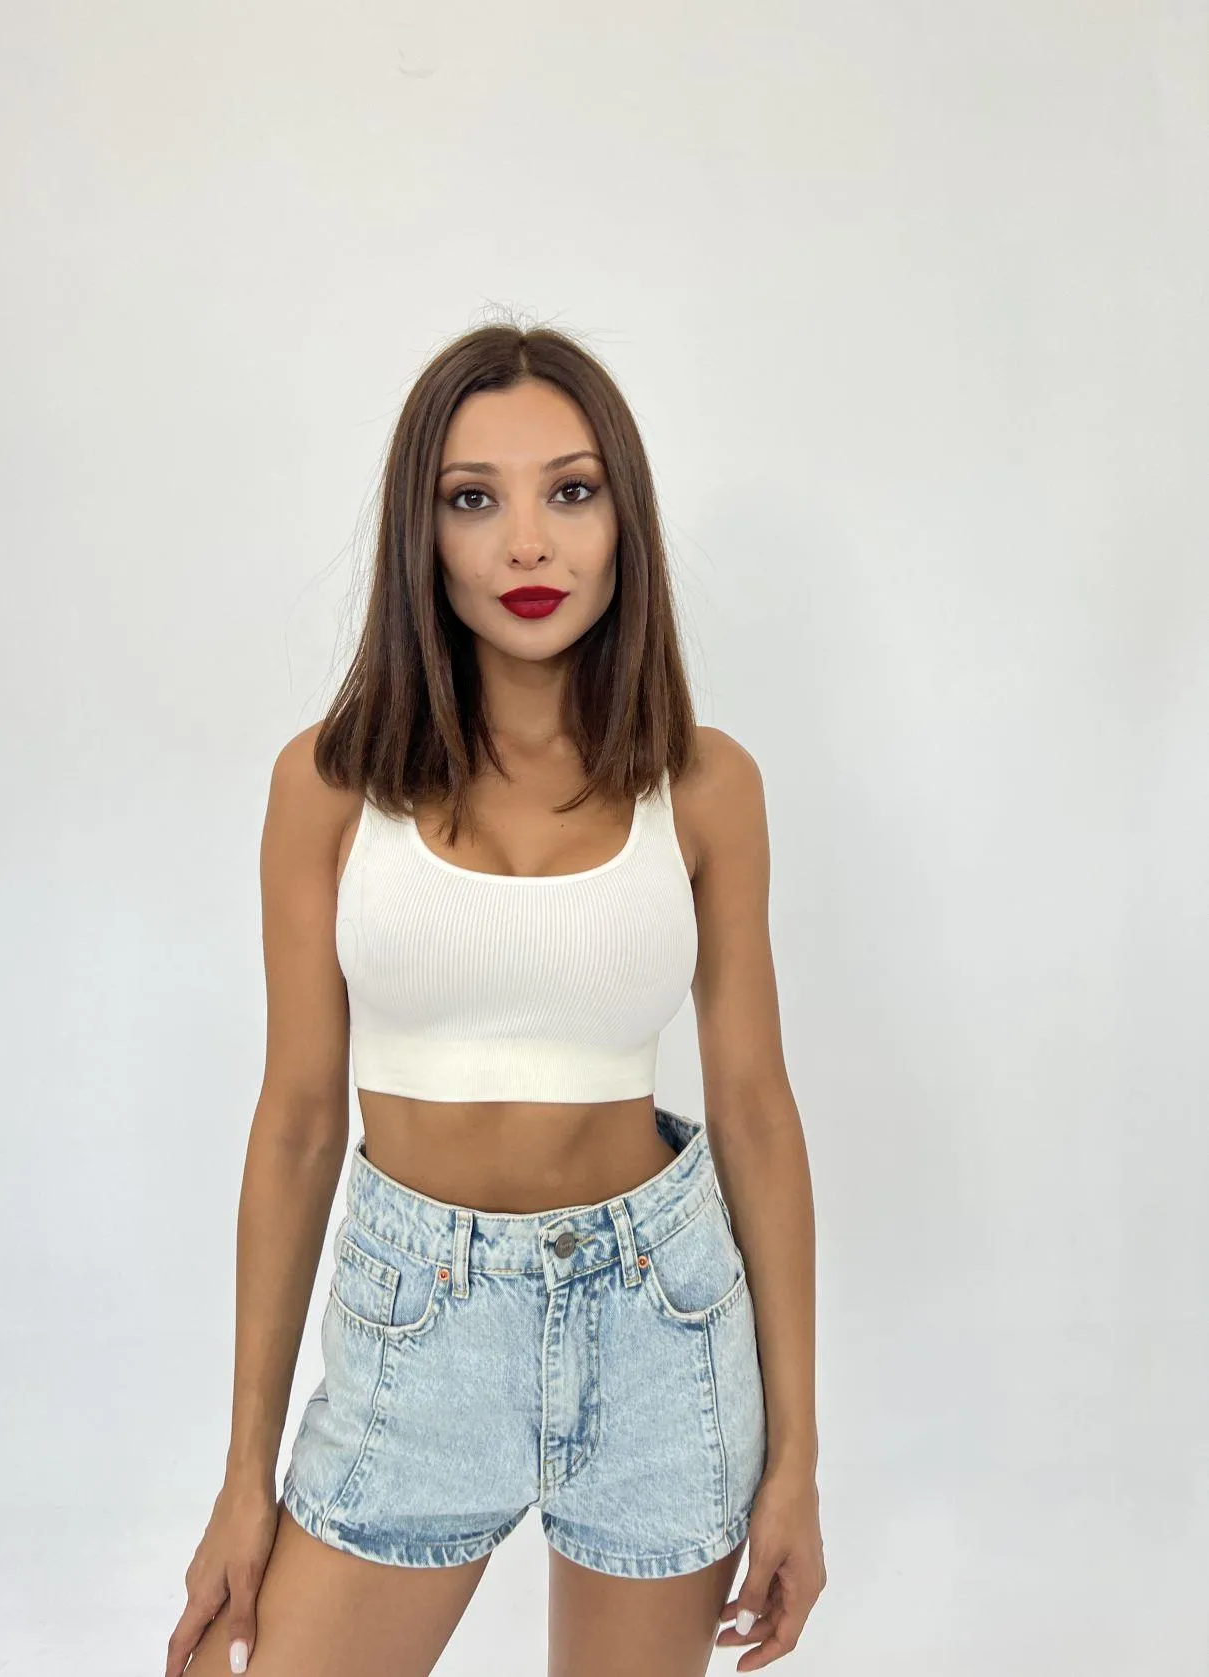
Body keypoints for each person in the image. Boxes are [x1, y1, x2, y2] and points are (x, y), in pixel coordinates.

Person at [165, 322, 826, 1677]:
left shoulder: (706, 787)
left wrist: (797, 1462)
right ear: (422, 535)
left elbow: (756, 1112)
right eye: (473, 499)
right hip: (415, 1330)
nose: (528, 545)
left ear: (623, 522)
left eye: (570, 492)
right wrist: (243, 1475)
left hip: (663, 1326)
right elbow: (297, 1122)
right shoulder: (329, 786)